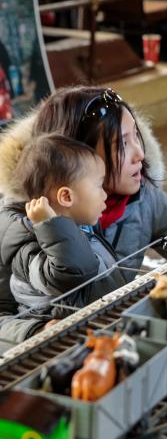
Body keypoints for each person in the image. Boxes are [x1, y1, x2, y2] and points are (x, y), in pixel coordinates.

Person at [0, 85, 167, 344]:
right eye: (122, 144)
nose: (140, 154)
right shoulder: (22, 223)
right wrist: (39, 332)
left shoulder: (143, 199)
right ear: (76, 153)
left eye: (136, 136)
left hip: (108, 340)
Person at [7, 133, 126, 320]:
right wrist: (51, 226)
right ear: (67, 197)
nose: (105, 195)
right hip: (64, 341)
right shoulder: (29, 249)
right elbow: (71, 274)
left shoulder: (81, 228)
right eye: (99, 186)